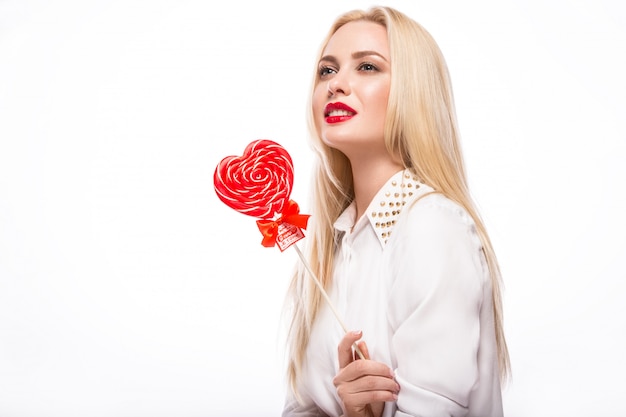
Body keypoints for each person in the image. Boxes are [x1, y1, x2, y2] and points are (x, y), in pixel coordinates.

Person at [281, 6, 510, 417]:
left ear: (412, 91)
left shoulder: (432, 228)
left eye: (367, 67)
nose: (337, 85)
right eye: (326, 71)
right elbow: (301, 407)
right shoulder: (324, 249)